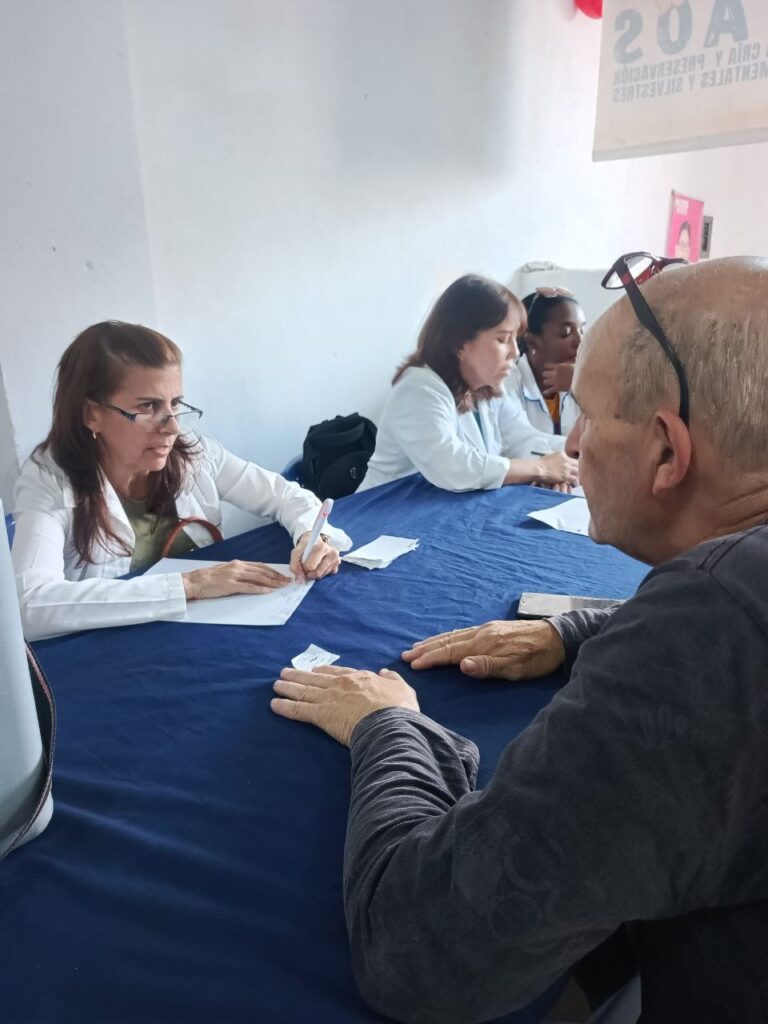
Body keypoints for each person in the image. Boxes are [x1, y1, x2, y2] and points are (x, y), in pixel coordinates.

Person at [271, 256, 768, 1022]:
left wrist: (391, 725)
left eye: (587, 415)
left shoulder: (706, 630)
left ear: (667, 452)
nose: (574, 443)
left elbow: (423, 953)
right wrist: (572, 632)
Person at [12, 321, 351, 641]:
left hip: (204, 635)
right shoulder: (48, 480)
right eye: (148, 407)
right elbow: (30, 604)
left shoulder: (193, 452)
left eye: (175, 404)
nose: (173, 427)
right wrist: (190, 585)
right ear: (92, 414)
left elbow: (283, 495)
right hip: (112, 652)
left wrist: (310, 536)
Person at [358, 275, 579, 493]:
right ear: (460, 343)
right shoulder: (417, 389)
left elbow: (522, 439)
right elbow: (455, 467)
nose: (515, 351)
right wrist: (541, 469)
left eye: (515, 339)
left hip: (436, 508)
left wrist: (568, 460)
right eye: (503, 339)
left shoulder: (486, 388)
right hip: (384, 509)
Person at [507, 287, 585, 436]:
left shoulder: (582, 378)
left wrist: (581, 383)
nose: (580, 341)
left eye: (582, 330)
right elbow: (520, 441)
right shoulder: (510, 381)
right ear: (532, 342)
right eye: (566, 332)